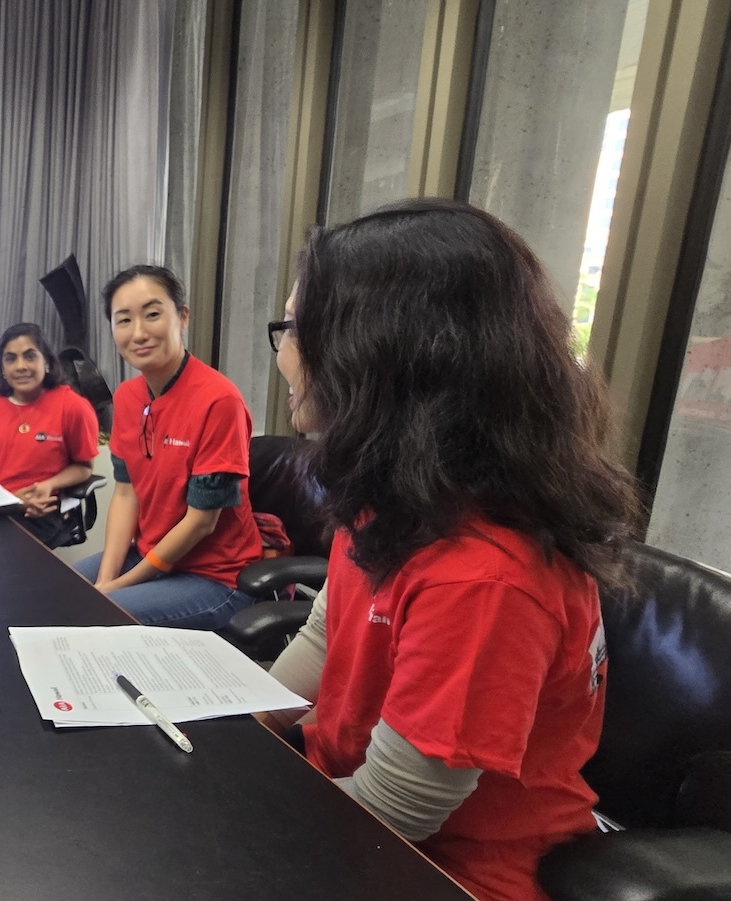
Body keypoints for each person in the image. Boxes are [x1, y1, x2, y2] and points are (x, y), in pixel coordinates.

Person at [260, 200, 640, 901]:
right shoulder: (397, 490)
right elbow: (326, 634)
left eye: (294, 328)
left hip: (447, 868)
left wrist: (245, 822)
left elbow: (401, 806)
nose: (283, 351)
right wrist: (236, 719)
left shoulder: (486, 574)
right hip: (347, 802)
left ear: (380, 353)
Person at [72, 265, 261, 629]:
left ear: (183, 317)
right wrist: (105, 580)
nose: (139, 333)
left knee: (94, 615)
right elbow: (127, 496)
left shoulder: (219, 401)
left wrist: (115, 589)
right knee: (54, 592)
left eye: (153, 314)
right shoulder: (127, 397)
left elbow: (200, 524)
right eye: (123, 320)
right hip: (150, 558)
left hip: (215, 577)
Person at [0, 323, 99, 546]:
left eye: (30, 356)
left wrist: (49, 485)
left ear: (47, 363)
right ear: (2, 368)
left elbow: (84, 467)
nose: (21, 366)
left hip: (40, 510)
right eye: (11, 359)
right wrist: (6, 498)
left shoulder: (73, 407)